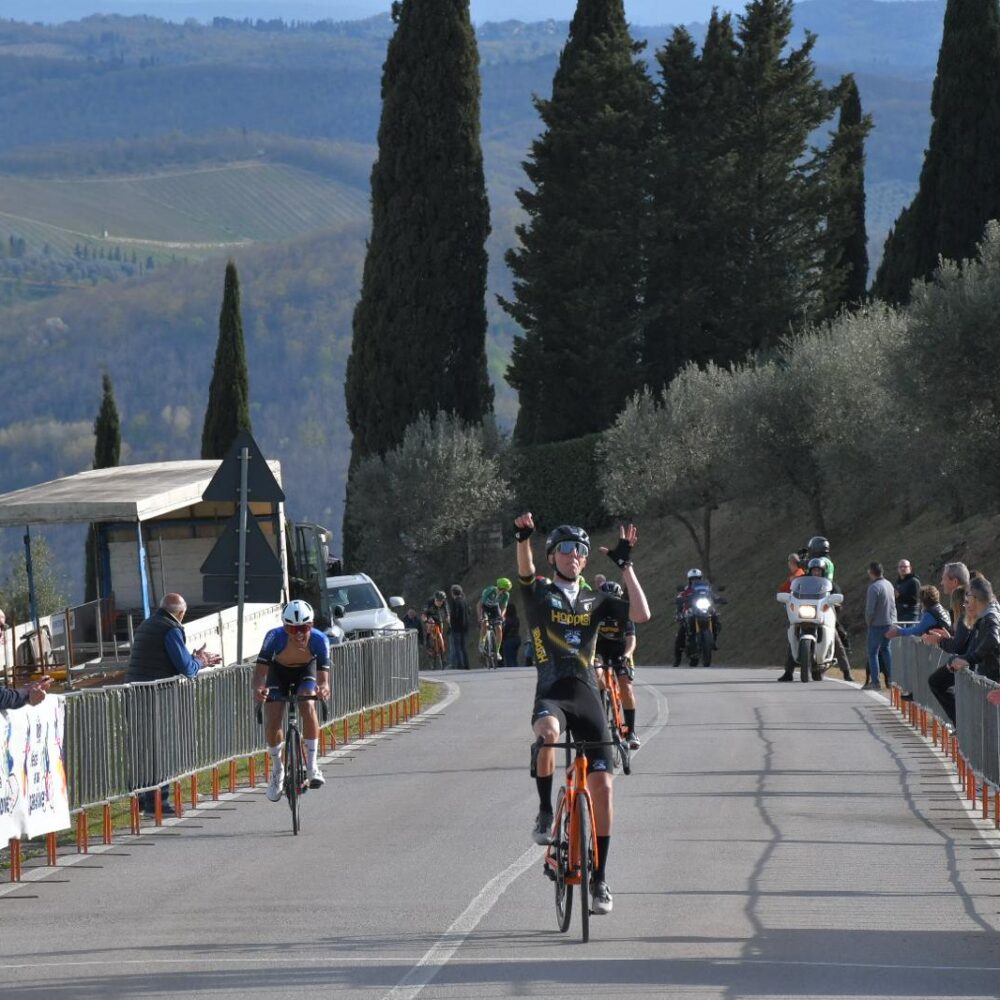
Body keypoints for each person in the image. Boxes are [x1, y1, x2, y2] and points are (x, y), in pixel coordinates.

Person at [514, 513, 651, 917]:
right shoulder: (540, 594)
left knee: (603, 788)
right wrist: (522, 539)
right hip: (553, 691)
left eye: (581, 551)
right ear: (553, 556)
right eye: (566, 549)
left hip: (588, 693)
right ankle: (543, 811)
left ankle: (601, 879)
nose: (574, 556)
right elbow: (524, 574)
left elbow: (641, 615)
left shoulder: (596, 599)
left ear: (586, 561)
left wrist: (627, 567)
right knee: (548, 734)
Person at [125, 592, 221, 814]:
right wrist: (201, 661)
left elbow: (168, 659)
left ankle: (140, 800)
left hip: (135, 693)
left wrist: (193, 658)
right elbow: (186, 669)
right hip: (156, 697)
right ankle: (158, 802)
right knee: (160, 748)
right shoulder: (171, 628)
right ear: (181, 612)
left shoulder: (147, 625)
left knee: (141, 748)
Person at [253, 599, 331, 802]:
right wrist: (259, 689)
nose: (298, 634)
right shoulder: (273, 637)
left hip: (306, 672)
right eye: (292, 628)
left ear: (311, 625)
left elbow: (323, 678)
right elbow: (261, 672)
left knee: (307, 703)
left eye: (303, 628)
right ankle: (278, 770)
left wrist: (323, 688)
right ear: (284, 627)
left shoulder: (320, 640)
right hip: (278, 673)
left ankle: (312, 765)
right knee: (274, 717)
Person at [929, 575, 1000, 723]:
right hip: (989, 681)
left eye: (967, 601)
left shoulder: (990, 616)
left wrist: (968, 659)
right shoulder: (984, 617)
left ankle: (961, 726)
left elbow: (993, 639)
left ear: (975, 598)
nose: (965, 606)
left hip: (994, 682)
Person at [595, 580, 640, 749]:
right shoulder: (594, 612)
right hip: (600, 649)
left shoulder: (625, 612)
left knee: (626, 687)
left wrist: (627, 655)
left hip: (621, 650)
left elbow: (631, 639)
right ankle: (600, 713)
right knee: (596, 674)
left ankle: (630, 731)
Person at [673, 568, 720, 667]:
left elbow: (713, 595)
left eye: (697, 578)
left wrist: (719, 598)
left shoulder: (706, 589)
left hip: (704, 609)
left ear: (700, 578)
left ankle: (713, 640)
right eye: (692, 579)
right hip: (690, 612)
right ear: (689, 580)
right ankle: (677, 659)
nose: (695, 580)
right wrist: (680, 600)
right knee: (681, 633)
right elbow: (679, 597)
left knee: (716, 618)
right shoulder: (686, 590)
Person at [864, 563, 895, 690]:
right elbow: (893, 605)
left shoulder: (874, 587)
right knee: (887, 650)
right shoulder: (889, 584)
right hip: (889, 622)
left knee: (873, 653)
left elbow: (870, 610)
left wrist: (868, 622)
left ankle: (875, 682)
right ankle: (893, 679)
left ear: (871, 572)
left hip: (876, 624)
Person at [885, 586, 951, 639]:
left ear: (924, 601)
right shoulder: (941, 609)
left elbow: (917, 630)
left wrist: (899, 631)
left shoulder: (930, 614)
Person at [478, 578, 512, 659]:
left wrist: (502, 616)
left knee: (499, 628)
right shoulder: (490, 590)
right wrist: (480, 616)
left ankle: (497, 651)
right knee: (485, 624)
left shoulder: (506, 595)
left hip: (495, 609)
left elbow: (504, 607)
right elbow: (480, 604)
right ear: (500, 588)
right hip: (485, 607)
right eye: (504, 590)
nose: (505, 592)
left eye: (507, 590)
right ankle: (482, 642)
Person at [422, 591, 450, 666]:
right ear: (435, 599)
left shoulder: (444, 603)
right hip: (429, 615)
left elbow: (447, 613)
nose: (440, 603)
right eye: (438, 601)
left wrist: (448, 619)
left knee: (441, 632)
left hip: (438, 616)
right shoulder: (429, 602)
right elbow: (424, 614)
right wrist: (426, 621)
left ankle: (443, 656)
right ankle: (428, 641)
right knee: (430, 624)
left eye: (441, 601)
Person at [448, 584, 471, 670]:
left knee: (457, 647)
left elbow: (454, 615)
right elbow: (469, 612)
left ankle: (460, 665)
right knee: (464, 646)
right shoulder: (465, 601)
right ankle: (466, 664)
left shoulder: (455, 602)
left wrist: (451, 623)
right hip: (465, 626)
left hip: (456, 627)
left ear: (453, 593)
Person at [501, 599, 522, 668]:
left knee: (509, 660)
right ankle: (517, 670)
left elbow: (504, 631)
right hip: (517, 639)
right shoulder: (517, 619)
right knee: (514, 658)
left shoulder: (507, 621)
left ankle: (513, 673)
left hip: (509, 640)